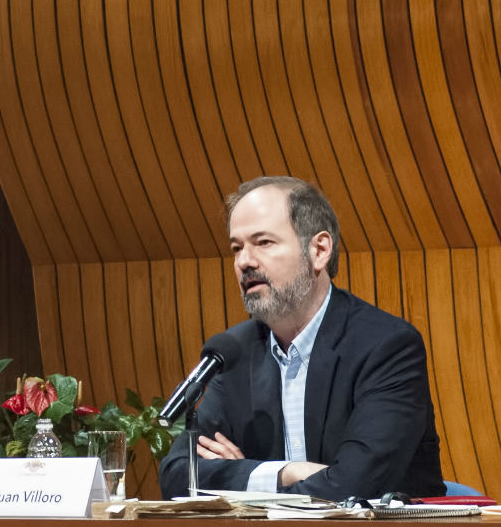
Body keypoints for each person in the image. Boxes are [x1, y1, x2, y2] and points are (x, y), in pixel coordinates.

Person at [159, 176, 445, 501]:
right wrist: (286, 472)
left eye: (263, 242)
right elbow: (177, 475)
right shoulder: (234, 352)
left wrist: (243, 478)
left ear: (319, 250)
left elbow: (354, 485)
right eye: (236, 248)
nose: (244, 262)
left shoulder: (386, 346)